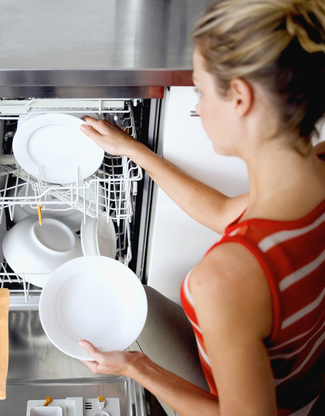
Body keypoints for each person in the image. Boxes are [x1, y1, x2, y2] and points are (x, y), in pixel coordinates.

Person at [78, 0, 325, 415]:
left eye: (201, 90)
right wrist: (133, 150)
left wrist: (138, 368)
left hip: (277, 406)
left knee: (124, 308)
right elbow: (225, 212)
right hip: (305, 377)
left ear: (241, 98)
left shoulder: (227, 278)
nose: (198, 106)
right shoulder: (316, 167)